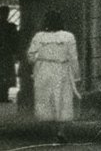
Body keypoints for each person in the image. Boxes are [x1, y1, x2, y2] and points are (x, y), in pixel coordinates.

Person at [26, 10, 79, 143]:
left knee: (46, 99)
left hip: (44, 70)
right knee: (62, 99)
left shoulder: (39, 37)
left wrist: (41, 59)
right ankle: (60, 131)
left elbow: (31, 56)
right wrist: (77, 76)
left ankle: (50, 132)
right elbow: (73, 58)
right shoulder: (68, 37)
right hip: (62, 70)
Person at [0, 6, 18, 103]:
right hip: (6, 54)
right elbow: (15, 41)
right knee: (6, 75)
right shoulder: (11, 27)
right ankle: (4, 96)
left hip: (5, 54)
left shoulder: (11, 27)